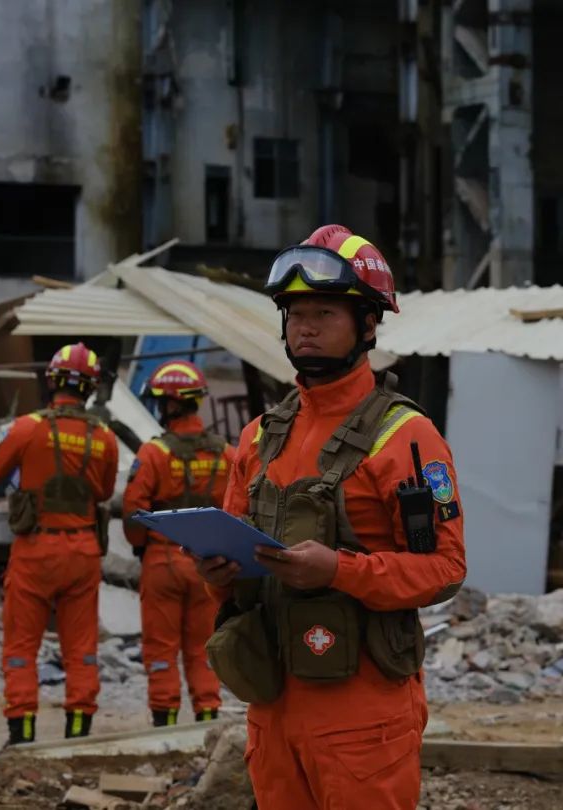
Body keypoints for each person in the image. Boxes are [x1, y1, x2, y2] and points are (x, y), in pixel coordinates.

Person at [195, 225, 466, 809]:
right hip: (272, 708)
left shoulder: (406, 438)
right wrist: (218, 572)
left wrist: (339, 571)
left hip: (362, 718)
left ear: (368, 324)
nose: (305, 327)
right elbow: (236, 552)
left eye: (324, 312)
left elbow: (444, 569)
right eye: (294, 314)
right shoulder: (258, 438)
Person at [0, 342, 119, 745]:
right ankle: (78, 738)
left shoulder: (27, 427)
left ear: (51, 380)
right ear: (90, 389)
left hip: (36, 551)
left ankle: (21, 737)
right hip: (83, 553)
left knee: (22, 647)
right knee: (82, 648)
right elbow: (105, 491)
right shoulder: (104, 438)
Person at [123, 360, 235, 726]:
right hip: (210, 563)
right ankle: (207, 722)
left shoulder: (154, 454)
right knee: (203, 649)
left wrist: (141, 546)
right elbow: (241, 505)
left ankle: (164, 725)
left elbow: (133, 512)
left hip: (163, 561)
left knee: (161, 650)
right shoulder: (226, 453)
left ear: (169, 403)